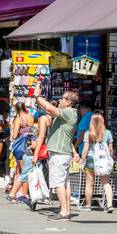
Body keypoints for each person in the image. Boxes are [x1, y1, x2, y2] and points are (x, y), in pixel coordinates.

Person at [36, 90, 79, 220]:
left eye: (62, 98)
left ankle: (64, 211)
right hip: (63, 152)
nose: (59, 100)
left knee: (59, 183)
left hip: (59, 153)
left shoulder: (68, 112)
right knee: (65, 183)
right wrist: (39, 102)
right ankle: (66, 209)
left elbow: (49, 107)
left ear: (69, 102)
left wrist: (37, 96)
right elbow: (48, 109)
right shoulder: (68, 114)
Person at [77, 113, 115, 213]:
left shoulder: (88, 133)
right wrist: (110, 159)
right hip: (103, 160)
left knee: (89, 183)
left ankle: (88, 205)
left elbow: (85, 149)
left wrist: (82, 161)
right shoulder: (108, 133)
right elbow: (110, 149)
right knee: (106, 183)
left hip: (91, 159)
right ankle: (110, 205)